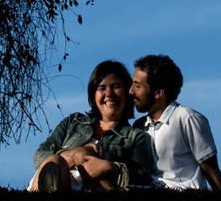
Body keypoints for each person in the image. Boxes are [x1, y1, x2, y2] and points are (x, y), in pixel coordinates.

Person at [29, 60, 153, 191]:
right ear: (94, 96)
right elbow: (39, 157)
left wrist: (110, 167)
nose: (109, 94)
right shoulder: (73, 122)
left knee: (102, 180)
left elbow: (143, 175)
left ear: (127, 92)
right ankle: (51, 189)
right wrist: (76, 154)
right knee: (54, 161)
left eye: (116, 86)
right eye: (102, 88)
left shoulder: (136, 137)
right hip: (58, 180)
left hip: (96, 187)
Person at [130, 54, 221, 190]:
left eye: (137, 86)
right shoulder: (139, 126)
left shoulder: (187, 118)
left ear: (158, 92)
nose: (131, 91)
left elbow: (211, 171)